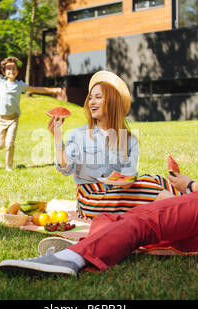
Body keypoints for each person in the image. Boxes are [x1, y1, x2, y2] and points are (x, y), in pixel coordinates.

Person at [0, 111, 198, 276]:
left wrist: (190, 185)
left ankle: (70, 258)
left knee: (139, 222)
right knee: (117, 222)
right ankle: (89, 246)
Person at [48, 71, 179, 220]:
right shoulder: (79, 134)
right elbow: (66, 168)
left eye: (98, 97)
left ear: (112, 102)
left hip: (120, 194)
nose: (91, 102)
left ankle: (190, 204)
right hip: (92, 201)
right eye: (90, 98)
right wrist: (57, 137)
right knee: (148, 186)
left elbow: (129, 175)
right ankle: (185, 210)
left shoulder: (129, 139)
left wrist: (128, 180)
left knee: (157, 180)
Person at [0, 43, 62, 171]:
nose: (11, 71)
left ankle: (8, 166)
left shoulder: (20, 85)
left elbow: (37, 89)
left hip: (13, 119)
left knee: (10, 143)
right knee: (0, 146)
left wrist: (53, 90)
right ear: (4, 72)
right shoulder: (1, 81)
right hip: (1, 119)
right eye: (8, 69)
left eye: (13, 68)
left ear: (17, 71)